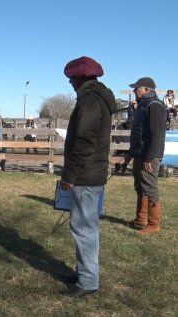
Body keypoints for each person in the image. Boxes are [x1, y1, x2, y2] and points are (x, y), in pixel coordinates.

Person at [59, 56, 117, 298]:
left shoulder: (90, 101)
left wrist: (70, 174)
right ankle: (84, 271)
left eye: (72, 79)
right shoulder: (94, 98)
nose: (70, 84)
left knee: (84, 229)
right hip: (91, 172)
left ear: (80, 78)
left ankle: (88, 281)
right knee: (85, 227)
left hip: (85, 174)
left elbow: (84, 141)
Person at [125, 77, 166, 235]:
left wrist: (150, 158)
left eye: (137, 88)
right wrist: (130, 153)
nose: (135, 91)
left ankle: (154, 224)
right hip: (139, 153)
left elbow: (157, 135)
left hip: (149, 155)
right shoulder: (142, 106)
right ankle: (141, 219)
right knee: (140, 186)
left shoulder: (155, 106)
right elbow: (138, 134)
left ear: (147, 89)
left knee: (150, 187)